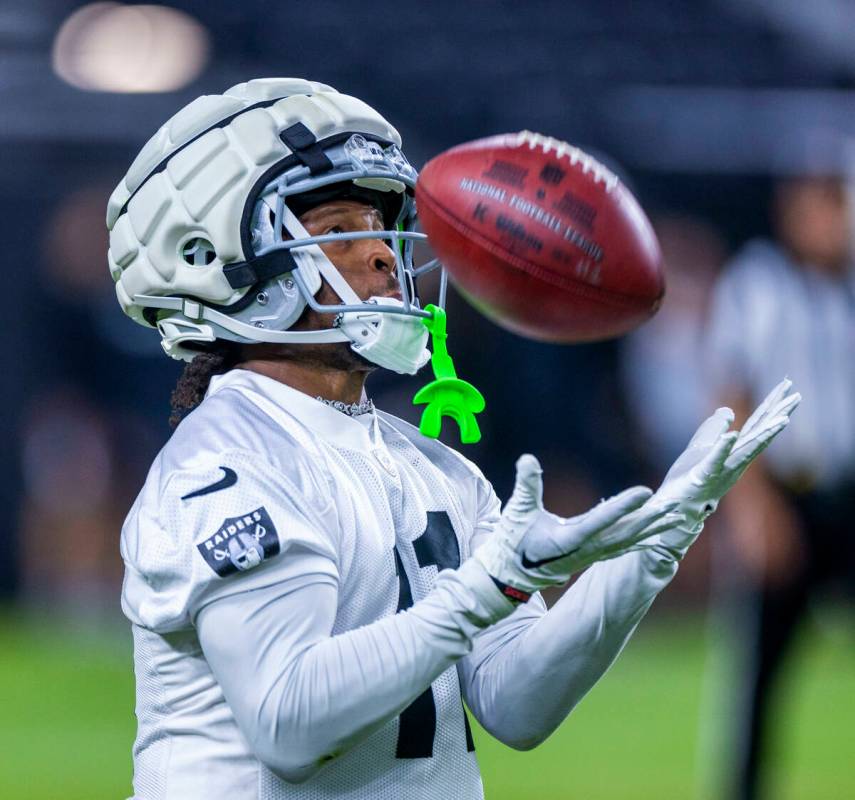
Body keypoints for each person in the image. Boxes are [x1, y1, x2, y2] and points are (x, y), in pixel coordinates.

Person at [108, 78, 799, 800]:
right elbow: (290, 721)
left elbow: (515, 702)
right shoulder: (224, 461)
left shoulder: (427, 465)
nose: (381, 255)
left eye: (379, 227)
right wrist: (486, 588)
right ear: (216, 261)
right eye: (338, 227)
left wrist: (653, 547)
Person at [706, 172, 855, 800]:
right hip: (787, 493)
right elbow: (733, 394)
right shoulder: (756, 283)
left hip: (848, 498)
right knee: (760, 673)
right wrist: (752, 505)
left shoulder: (844, 292)